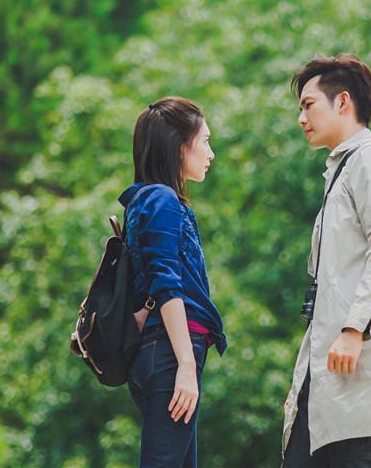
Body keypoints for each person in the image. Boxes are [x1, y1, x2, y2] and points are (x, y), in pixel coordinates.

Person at [281, 54, 371, 467]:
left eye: (308, 105)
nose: (301, 119)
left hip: (360, 373)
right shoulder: (342, 170)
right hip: (327, 376)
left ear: (342, 101)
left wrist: (353, 329)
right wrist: (302, 382)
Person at [119, 96, 226, 468]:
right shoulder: (162, 200)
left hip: (161, 351)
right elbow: (166, 284)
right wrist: (185, 364)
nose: (211, 153)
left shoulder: (147, 201)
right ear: (180, 146)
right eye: (205, 141)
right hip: (169, 352)